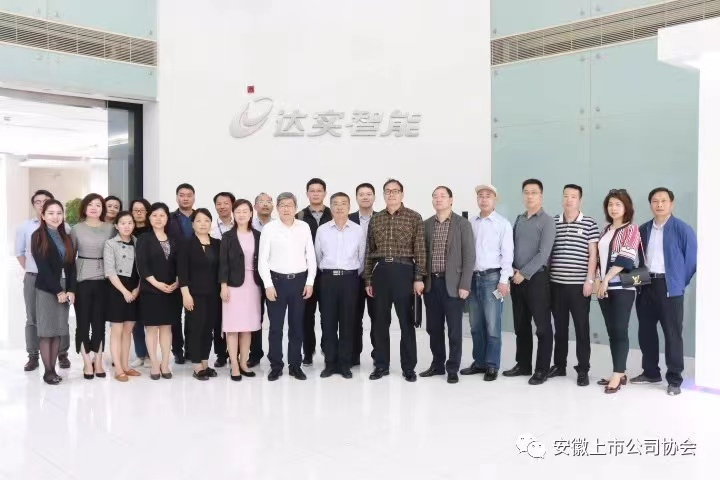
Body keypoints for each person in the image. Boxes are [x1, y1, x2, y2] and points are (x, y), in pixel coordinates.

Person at [632, 187, 697, 396]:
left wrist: (678, 283)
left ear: (671, 203)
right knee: (646, 332)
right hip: (646, 285)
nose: (659, 204)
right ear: (650, 204)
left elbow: (691, 261)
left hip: (670, 287)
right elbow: (638, 259)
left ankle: (675, 379)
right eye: (655, 201)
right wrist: (637, 282)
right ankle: (651, 372)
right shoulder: (643, 229)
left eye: (663, 200)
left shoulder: (682, 229)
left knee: (672, 334)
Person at [364, 179, 426, 382]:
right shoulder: (376, 219)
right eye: (387, 191)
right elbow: (369, 251)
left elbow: (420, 250)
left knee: (406, 322)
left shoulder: (414, 217)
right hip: (381, 272)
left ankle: (408, 367)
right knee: (380, 322)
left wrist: (418, 278)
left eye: (395, 191)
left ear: (402, 194)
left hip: (404, 271)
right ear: (383, 195)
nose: (391, 194)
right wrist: (368, 280)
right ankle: (381, 365)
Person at [419, 186, 475, 384]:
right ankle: (437, 364)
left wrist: (465, 284)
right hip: (431, 284)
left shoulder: (462, 224)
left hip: (454, 284)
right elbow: (421, 254)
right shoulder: (426, 224)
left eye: (443, 196)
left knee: (454, 330)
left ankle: (453, 368)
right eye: (435, 196)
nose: (438, 199)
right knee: (433, 328)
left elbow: (469, 256)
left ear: (451, 200)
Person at [259, 192, 316, 381]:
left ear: (295, 208)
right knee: (275, 327)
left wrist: (310, 282)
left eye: (289, 205)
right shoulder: (270, 229)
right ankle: (276, 365)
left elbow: (311, 256)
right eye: (282, 205)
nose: (286, 208)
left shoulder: (304, 227)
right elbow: (262, 260)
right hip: (276, 282)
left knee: (296, 326)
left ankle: (295, 365)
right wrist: (268, 285)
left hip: (299, 282)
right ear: (277, 208)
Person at [503, 179, 556, 385]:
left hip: (536, 279)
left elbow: (544, 254)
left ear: (541, 196)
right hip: (517, 278)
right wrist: (513, 270)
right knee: (521, 325)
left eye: (534, 192)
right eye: (526, 192)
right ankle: (523, 364)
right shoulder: (519, 219)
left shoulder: (547, 221)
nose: (529, 196)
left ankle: (542, 369)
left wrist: (524, 273)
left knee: (542, 327)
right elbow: (512, 247)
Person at [547, 184, 599, 387]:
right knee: (560, 329)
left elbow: (593, 255)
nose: (569, 199)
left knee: (581, 329)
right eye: (566, 196)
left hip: (579, 287)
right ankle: (559, 365)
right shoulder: (553, 222)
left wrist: (589, 281)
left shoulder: (589, 223)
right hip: (556, 285)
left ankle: (583, 369)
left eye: (573, 196)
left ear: (580, 200)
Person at [460, 184, 513, 381]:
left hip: (492, 278)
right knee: (475, 325)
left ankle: (492, 365)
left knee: (492, 325)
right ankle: (479, 362)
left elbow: (507, 255)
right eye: (480, 196)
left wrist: (504, 281)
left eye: (488, 196)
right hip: (473, 278)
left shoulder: (502, 224)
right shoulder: (470, 223)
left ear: (495, 200)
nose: (484, 199)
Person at [15, 190, 71, 372]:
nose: (41, 204)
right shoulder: (28, 229)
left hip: (59, 280)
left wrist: (68, 288)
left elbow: (70, 260)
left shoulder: (65, 230)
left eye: (45, 201)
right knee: (34, 319)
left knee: (60, 321)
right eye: (38, 202)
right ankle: (33, 356)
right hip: (37, 278)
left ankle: (62, 354)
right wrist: (31, 271)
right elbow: (21, 253)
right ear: (37, 208)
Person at [595, 189, 640, 394]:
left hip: (622, 288)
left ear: (626, 207)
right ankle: (619, 371)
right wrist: (598, 280)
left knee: (620, 330)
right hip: (604, 288)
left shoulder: (631, 229)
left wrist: (606, 279)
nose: (613, 208)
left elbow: (625, 259)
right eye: (610, 204)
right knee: (612, 331)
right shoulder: (605, 230)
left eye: (618, 204)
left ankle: (618, 373)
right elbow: (598, 259)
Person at [315, 192, 365, 379]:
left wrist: (351, 274)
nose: (339, 207)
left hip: (350, 280)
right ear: (331, 207)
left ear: (349, 207)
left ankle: (345, 363)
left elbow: (362, 257)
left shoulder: (358, 230)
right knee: (328, 322)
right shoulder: (322, 230)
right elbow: (318, 255)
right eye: (335, 203)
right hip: (328, 279)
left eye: (343, 203)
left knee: (347, 322)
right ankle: (330, 363)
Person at [31, 200, 76, 385]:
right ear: (43, 215)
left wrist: (71, 289)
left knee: (57, 329)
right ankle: (48, 372)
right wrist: (58, 290)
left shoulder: (65, 236)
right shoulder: (37, 236)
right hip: (47, 288)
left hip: (64, 287)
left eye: (59, 213)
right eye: (51, 213)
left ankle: (53, 370)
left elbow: (72, 265)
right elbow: (43, 267)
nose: (55, 217)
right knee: (46, 331)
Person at [70, 193, 115, 379]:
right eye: (90, 204)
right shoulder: (76, 229)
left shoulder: (110, 228)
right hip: (82, 281)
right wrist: (70, 287)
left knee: (99, 323)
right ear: (84, 208)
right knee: (83, 323)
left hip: (104, 281)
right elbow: (70, 259)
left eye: (98, 204)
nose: (94, 208)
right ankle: (87, 362)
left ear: (102, 208)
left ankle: (98, 360)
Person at [136, 203, 180, 380]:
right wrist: (157, 284)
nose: (158, 219)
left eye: (162, 215)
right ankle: (154, 363)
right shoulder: (144, 239)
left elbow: (180, 264)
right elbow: (142, 265)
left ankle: (165, 363)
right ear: (149, 218)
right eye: (154, 215)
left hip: (172, 291)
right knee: (152, 329)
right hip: (151, 290)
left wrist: (177, 282)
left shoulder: (174, 239)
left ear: (167, 218)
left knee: (167, 328)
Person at [219, 199, 263, 381]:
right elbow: (223, 263)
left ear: (251, 214)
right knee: (232, 327)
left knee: (247, 327)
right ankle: (234, 365)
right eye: (238, 211)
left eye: (245, 211)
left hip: (253, 286)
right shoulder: (228, 236)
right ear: (233, 214)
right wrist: (223, 285)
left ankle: (244, 362)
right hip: (233, 286)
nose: (242, 214)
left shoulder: (258, 235)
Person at [178, 208, 222, 381]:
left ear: (211, 223)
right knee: (196, 328)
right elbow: (182, 271)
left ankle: (205, 361)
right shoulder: (186, 243)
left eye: (206, 220)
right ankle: (196, 364)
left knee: (208, 329)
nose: (203, 224)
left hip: (213, 294)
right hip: (194, 294)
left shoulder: (217, 243)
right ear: (192, 224)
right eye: (198, 220)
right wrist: (185, 294)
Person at [296, 178, 332, 366]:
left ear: (325, 193)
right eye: (312, 190)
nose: (316, 193)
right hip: (305, 276)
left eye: (319, 190)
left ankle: (327, 349)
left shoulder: (334, 214)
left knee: (328, 315)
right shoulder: (299, 216)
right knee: (306, 316)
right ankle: (308, 352)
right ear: (307, 193)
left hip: (327, 275)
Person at [104, 211, 141, 382]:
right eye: (123, 223)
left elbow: (143, 270)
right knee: (117, 331)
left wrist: (136, 290)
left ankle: (126, 366)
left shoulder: (138, 242)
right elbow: (110, 271)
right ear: (116, 226)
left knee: (128, 330)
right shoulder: (110, 244)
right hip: (117, 289)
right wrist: (125, 292)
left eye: (130, 223)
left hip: (134, 289)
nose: (127, 226)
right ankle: (118, 368)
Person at [349, 182, 377, 366]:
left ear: (374, 197)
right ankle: (353, 356)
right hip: (354, 276)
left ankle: (378, 356)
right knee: (353, 318)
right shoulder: (348, 219)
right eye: (361, 194)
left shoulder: (382, 218)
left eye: (368, 194)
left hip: (376, 276)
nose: (365, 197)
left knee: (377, 318)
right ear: (356, 198)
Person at [168, 183, 196, 364]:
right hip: (173, 272)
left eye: (189, 195)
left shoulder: (200, 217)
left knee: (193, 314)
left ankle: (192, 349)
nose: (185, 198)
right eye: (182, 195)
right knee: (175, 315)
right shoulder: (169, 218)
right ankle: (177, 350)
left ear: (194, 197)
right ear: (177, 197)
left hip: (196, 272)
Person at [209, 192, 236, 368]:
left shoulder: (240, 225)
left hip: (237, 278)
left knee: (237, 316)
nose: (222, 206)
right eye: (219, 204)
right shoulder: (210, 228)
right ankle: (220, 354)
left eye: (226, 203)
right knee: (218, 318)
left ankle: (237, 353)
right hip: (215, 278)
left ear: (232, 205)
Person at [248, 192, 274, 367]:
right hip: (253, 279)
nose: (265, 204)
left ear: (273, 206)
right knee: (255, 318)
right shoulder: (248, 226)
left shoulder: (279, 225)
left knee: (275, 319)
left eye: (268, 201)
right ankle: (255, 353)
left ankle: (275, 356)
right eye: (261, 202)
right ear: (255, 206)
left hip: (275, 278)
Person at [129, 198, 152, 368]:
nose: (138, 213)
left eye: (142, 210)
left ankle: (151, 355)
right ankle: (140, 354)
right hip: (130, 279)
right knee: (135, 320)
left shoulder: (153, 231)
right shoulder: (127, 231)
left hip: (150, 279)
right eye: (135, 210)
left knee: (149, 320)